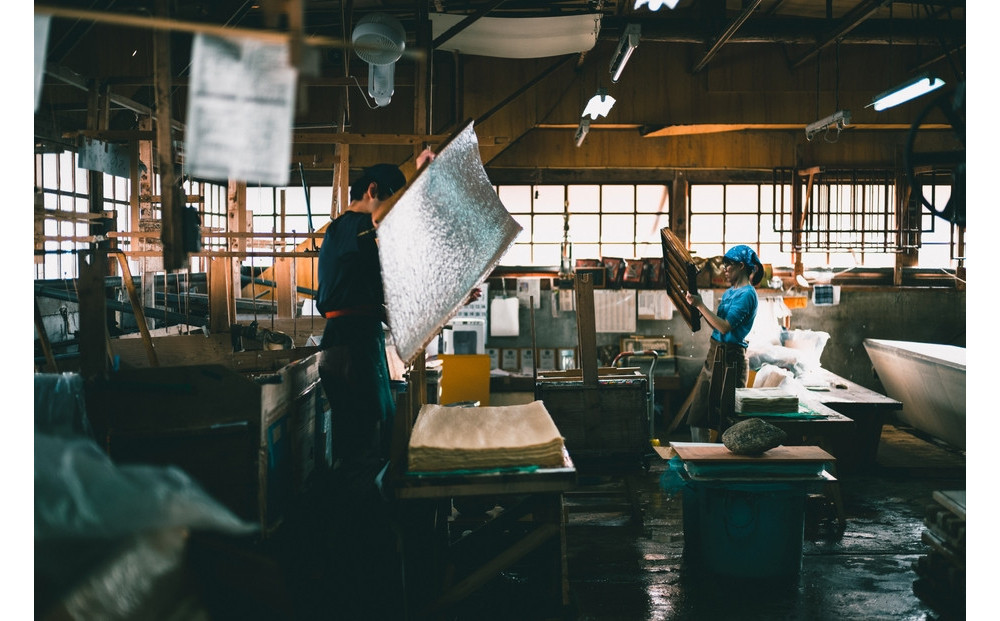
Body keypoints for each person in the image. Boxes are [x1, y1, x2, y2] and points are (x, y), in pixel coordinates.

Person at [683, 244, 764, 442]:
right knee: (698, 415)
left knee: (727, 421)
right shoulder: (729, 293)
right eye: (724, 265)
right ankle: (700, 457)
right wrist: (695, 308)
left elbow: (725, 327)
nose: (724, 269)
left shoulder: (747, 294)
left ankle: (722, 459)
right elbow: (716, 324)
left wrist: (700, 305)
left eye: (729, 265)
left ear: (742, 266)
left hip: (732, 359)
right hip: (714, 353)